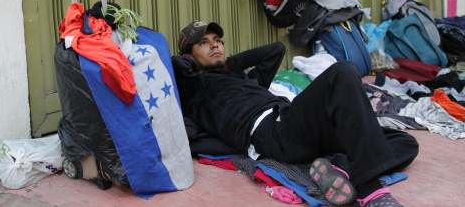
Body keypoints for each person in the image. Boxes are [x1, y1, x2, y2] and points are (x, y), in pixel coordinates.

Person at [172, 20, 419, 207]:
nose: (215, 44)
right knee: (342, 72)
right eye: (203, 42)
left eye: (218, 40)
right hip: (274, 133)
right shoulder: (196, 88)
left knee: (404, 142)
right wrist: (202, 64)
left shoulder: (245, 79)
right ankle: (370, 190)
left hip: (295, 121)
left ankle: (342, 169)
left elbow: (275, 50)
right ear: (188, 54)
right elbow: (176, 64)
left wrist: (229, 63)